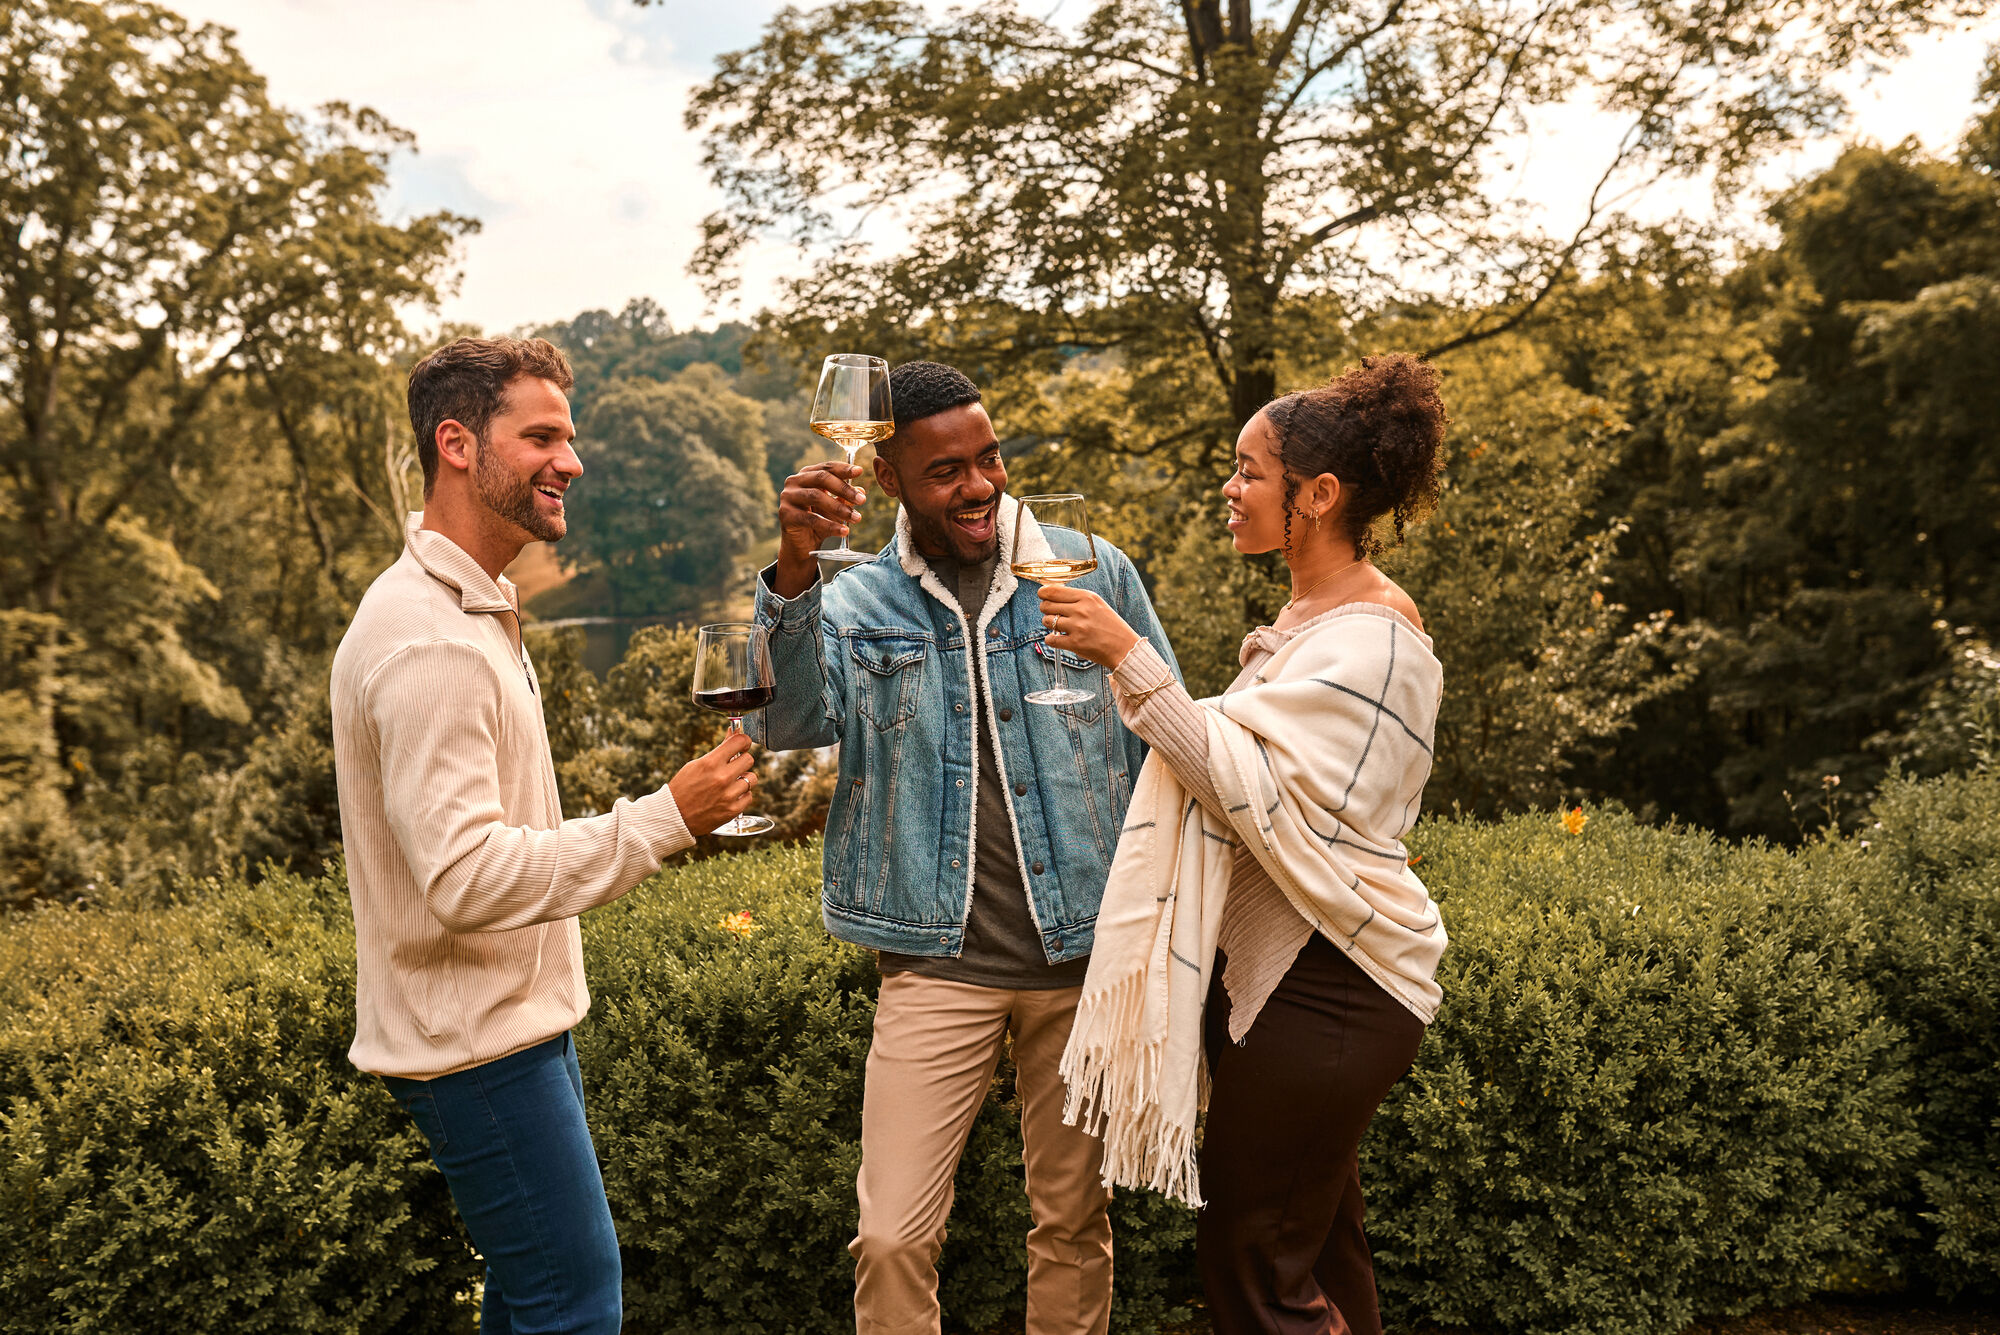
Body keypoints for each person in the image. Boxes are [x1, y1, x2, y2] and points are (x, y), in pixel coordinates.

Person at [329, 336, 759, 1335]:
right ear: (458, 445)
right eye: (542, 437)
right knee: (572, 1300)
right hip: (474, 1044)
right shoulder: (427, 641)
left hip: (500, 1026)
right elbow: (466, 877)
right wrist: (662, 819)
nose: (571, 461)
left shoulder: (468, 611)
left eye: (568, 437)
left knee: (539, 1296)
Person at [752, 361, 1182, 1335]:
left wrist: (1162, 929)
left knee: (1072, 1223)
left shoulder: (1089, 568)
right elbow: (783, 726)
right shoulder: (854, 599)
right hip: (932, 962)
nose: (980, 485)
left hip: (1080, 958)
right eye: (946, 471)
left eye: (988, 459)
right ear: (892, 479)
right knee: (892, 1237)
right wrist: (790, 569)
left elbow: (1167, 733)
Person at [1048, 354, 1451, 1335]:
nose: (1227, 492)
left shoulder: (1377, 641)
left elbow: (1243, 790)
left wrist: (1123, 655)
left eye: (1247, 472)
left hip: (1335, 985)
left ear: (1316, 495)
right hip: (1289, 986)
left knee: (1253, 1272)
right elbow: (1249, 773)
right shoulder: (1305, 623)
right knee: (1312, 1254)